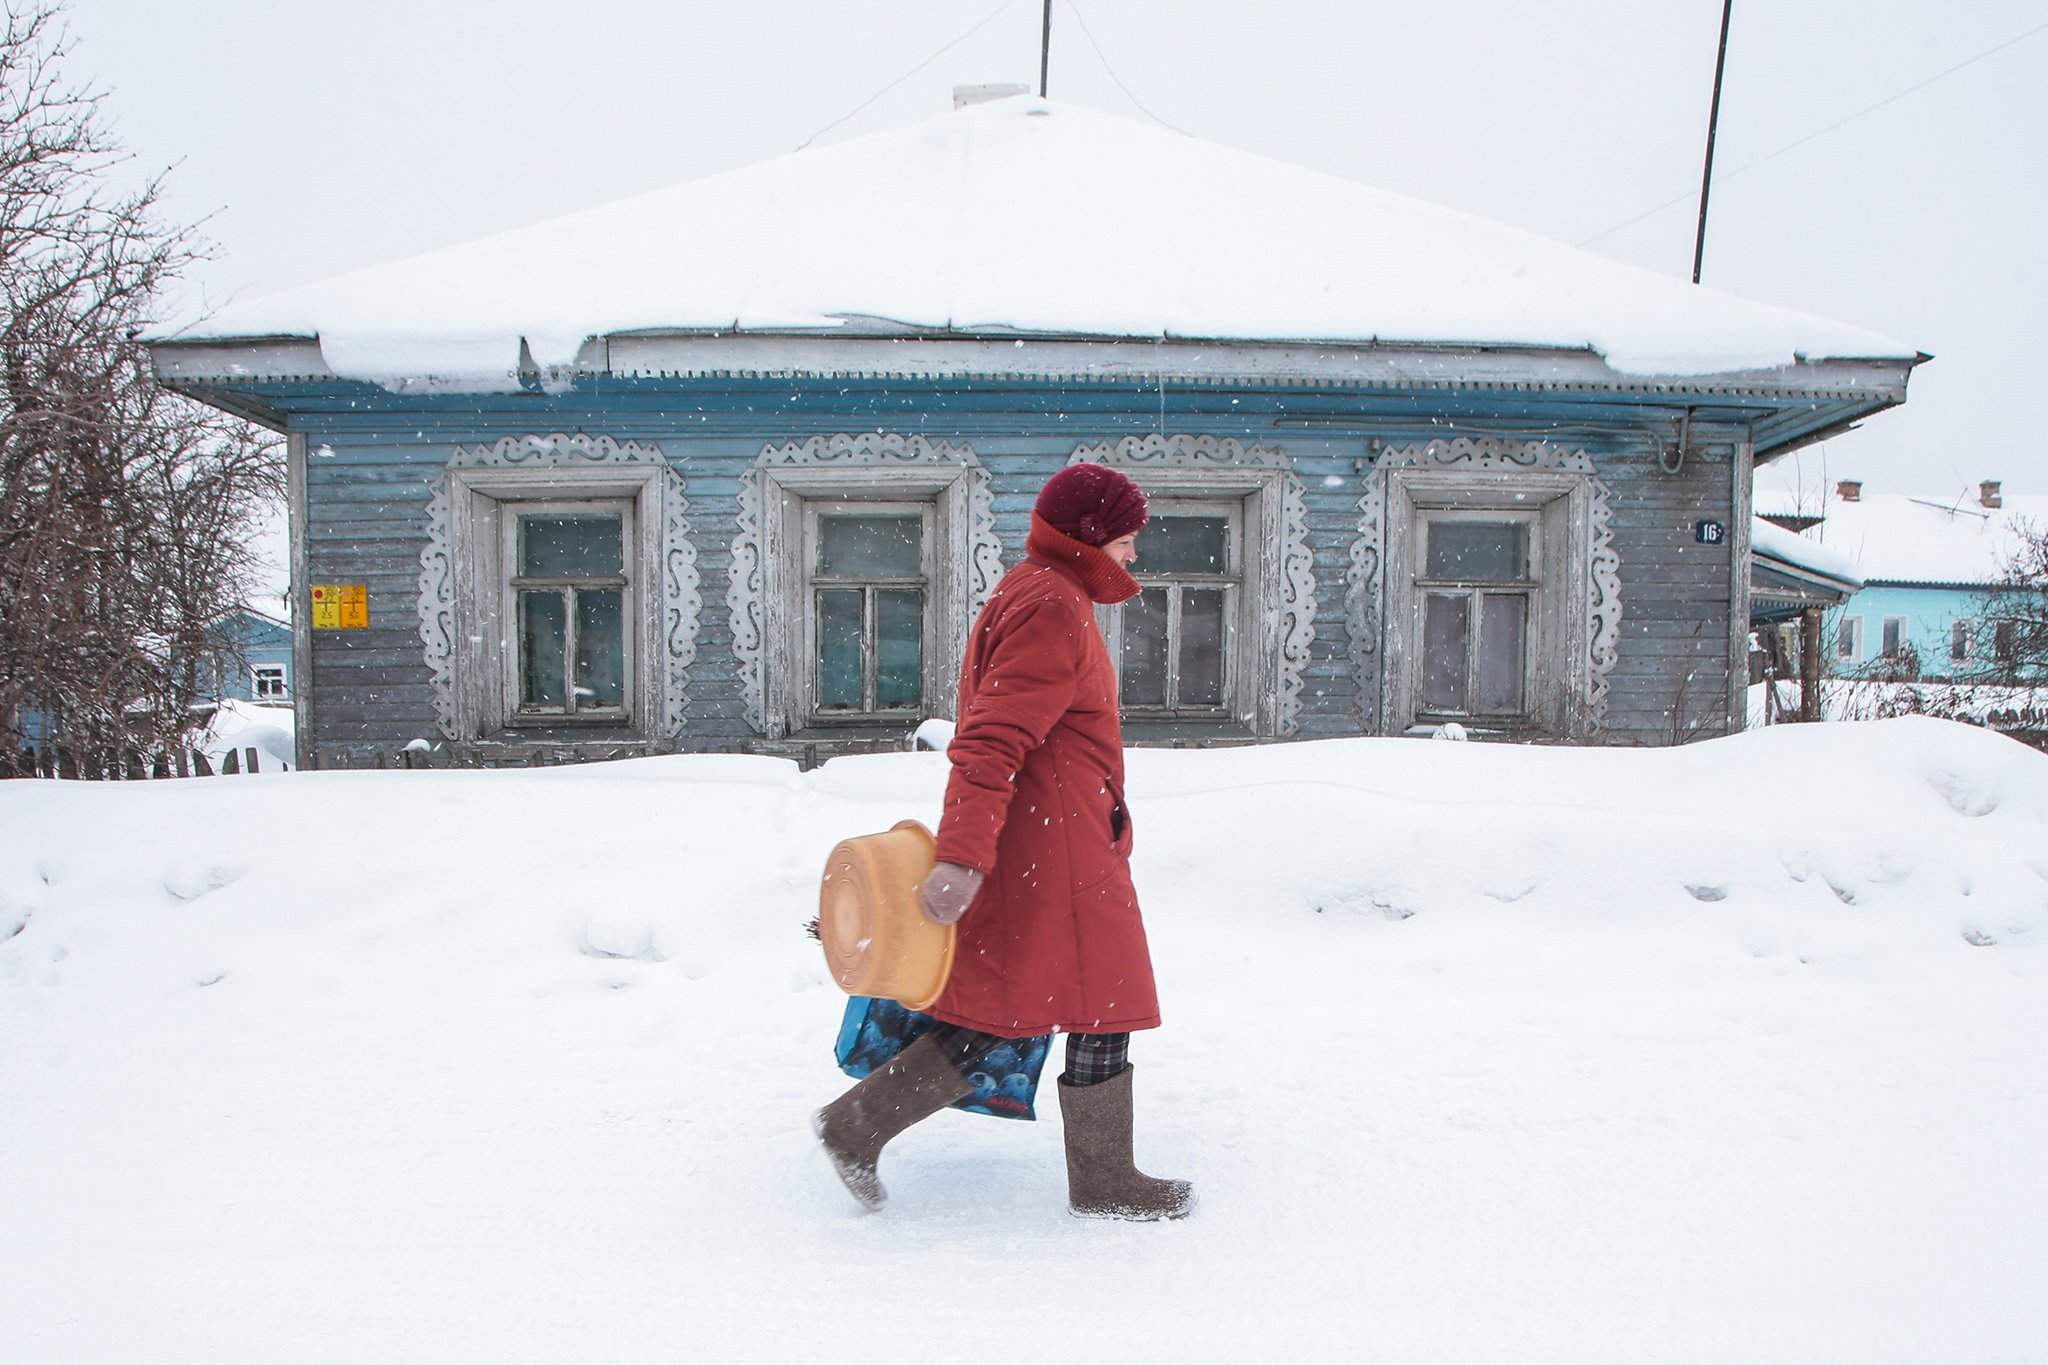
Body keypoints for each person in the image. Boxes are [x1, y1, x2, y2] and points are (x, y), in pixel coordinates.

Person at [814, 462, 1194, 1221]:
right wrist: (960, 855)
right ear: (1093, 534)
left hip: (1059, 841)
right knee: (1098, 1003)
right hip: (1056, 854)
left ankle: (859, 1123)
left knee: (1006, 1009)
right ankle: (1104, 1178)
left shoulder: (1041, 589)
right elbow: (990, 739)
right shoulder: (1053, 604)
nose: (1135, 553)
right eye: (1127, 536)